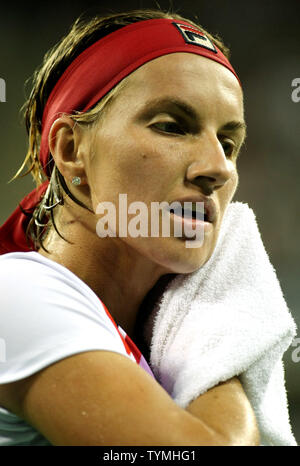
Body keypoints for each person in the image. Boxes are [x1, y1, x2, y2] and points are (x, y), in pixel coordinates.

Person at [0, 8, 260, 445]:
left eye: (228, 143)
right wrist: (217, 326)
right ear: (70, 149)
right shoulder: (17, 291)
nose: (218, 168)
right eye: (173, 127)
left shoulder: (142, 340)